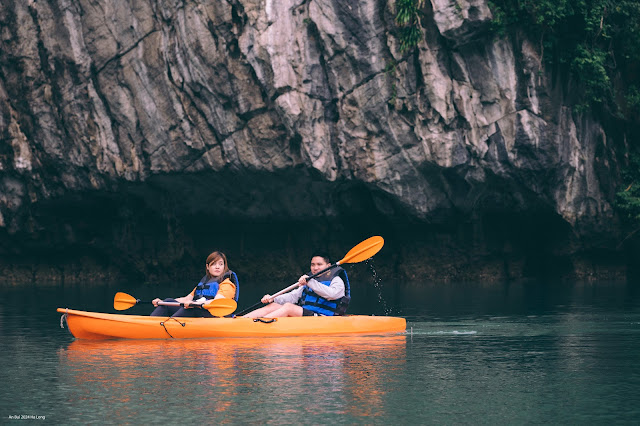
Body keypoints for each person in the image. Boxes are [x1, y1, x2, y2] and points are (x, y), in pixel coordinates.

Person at [243, 253, 350, 318]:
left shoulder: (336, 280)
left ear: (328, 266)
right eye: (313, 265)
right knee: (274, 306)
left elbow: (332, 295)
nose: (315, 268)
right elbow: (292, 297)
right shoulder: (309, 280)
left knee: (289, 307)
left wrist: (310, 282)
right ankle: (242, 320)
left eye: (319, 264)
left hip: (323, 318)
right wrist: (273, 298)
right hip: (306, 315)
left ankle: (258, 325)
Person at [150, 251, 239, 318]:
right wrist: (162, 302)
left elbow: (217, 302)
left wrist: (194, 304)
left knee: (192, 308)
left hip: (216, 317)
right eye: (213, 264)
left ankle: (168, 326)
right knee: (168, 302)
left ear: (224, 267)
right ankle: (150, 323)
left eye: (221, 264)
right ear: (208, 267)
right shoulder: (204, 283)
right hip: (199, 312)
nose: (217, 267)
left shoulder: (227, 285)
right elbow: (186, 299)